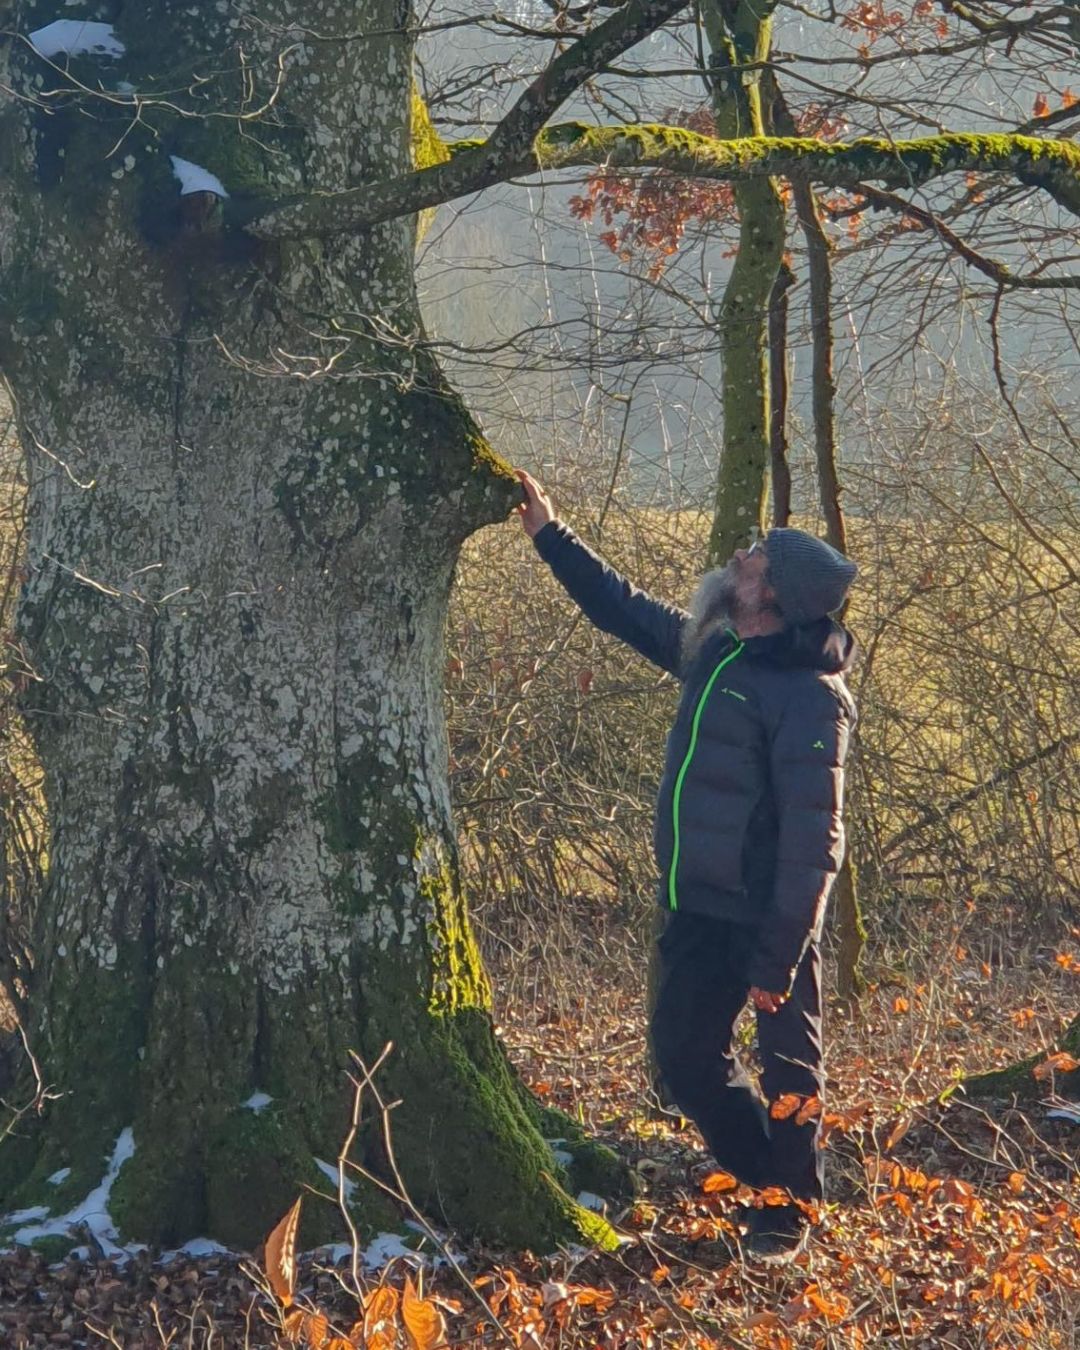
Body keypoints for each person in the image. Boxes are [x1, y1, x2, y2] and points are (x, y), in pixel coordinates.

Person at [513, 469, 858, 1259]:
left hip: (771, 915)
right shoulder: (717, 651)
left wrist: (780, 955)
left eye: (754, 559)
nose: (739, 556)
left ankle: (790, 1208)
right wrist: (549, 535)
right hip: (698, 904)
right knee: (684, 1056)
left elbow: (816, 841)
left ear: (769, 598)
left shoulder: (811, 696)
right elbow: (623, 610)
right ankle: (769, 1176)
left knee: (790, 1068)